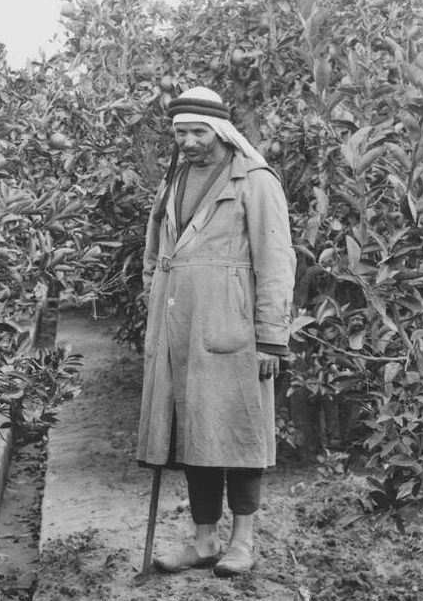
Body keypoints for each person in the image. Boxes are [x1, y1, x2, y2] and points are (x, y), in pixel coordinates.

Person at [135, 86, 295, 577]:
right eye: (180, 132)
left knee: (240, 435)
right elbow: (154, 252)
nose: (188, 141)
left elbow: (276, 260)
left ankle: (242, 541)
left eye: (198, 132)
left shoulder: (254, 179)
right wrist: (155, 303)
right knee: (195, 436)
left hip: (234, 329)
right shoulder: (174, 179)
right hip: (180, 329)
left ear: (221, 131)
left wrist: (271, 336)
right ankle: (204, 541)